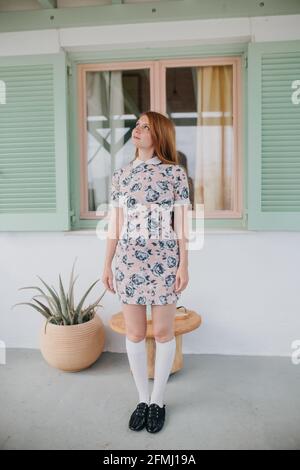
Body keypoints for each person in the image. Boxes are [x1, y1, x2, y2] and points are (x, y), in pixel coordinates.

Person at [102, 111, 190, 433]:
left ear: (159, 136)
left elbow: (181, 224)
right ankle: (142, 398)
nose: (137, 130)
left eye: (145, 127)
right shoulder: (121, 175)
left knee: (165, 333)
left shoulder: (174, 175)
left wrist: (184, 262)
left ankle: (158, 400)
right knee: (135, 334)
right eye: (136, 125)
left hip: (165, 262)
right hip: (128, 262)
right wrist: (107, 263)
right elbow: (115, 224)